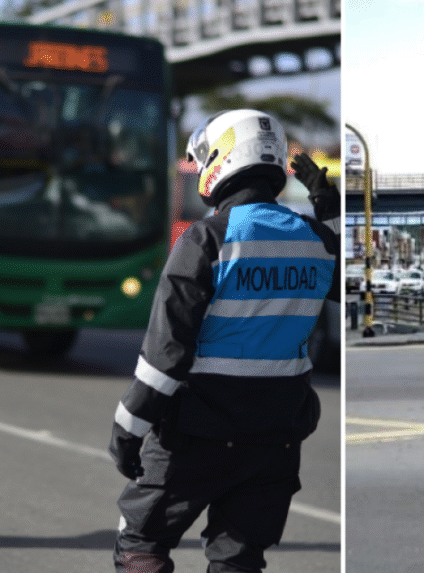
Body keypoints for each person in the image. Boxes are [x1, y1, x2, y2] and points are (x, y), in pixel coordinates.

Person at [109, 109, 340, 573]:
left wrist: (127, 429)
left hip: (197, 432)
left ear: (222, 159)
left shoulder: (207, 239)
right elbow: (353, 276)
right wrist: (327, 205)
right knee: (238, 558)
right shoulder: (315, 239)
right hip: (276, 436)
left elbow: (165, 356)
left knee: (141, 545)